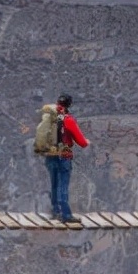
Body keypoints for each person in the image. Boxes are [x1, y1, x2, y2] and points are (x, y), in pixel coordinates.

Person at [44, 93, 90, 224]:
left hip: (50, 154)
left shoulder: (49, 117)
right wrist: (86, 142)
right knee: (63, 185)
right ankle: (66, 215)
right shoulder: (68, 119)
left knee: (54, 184)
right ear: (69, 105)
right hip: (64, 155)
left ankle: (55, 212)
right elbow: (81, 142)